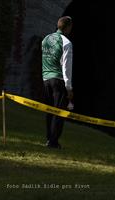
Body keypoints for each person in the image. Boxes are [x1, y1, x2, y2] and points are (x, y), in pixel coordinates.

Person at [42, 16, 73, 149]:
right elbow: (66, 67)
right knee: (58, 112)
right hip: (59, 80)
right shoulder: (66, 42)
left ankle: (49, 138)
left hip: (46, 79)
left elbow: (44, 58)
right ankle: (53, 142)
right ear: (68, 27)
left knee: (49, 110)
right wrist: (69, 87)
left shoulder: (46, 39)